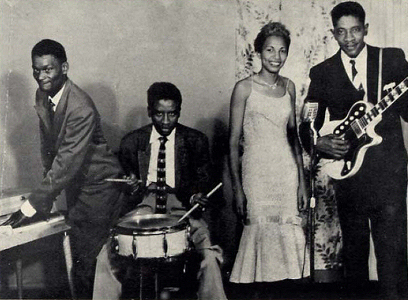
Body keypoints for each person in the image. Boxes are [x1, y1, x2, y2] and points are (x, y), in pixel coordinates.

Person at [300, 2, 408, 298]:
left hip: (389, 177)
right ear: (333, 34)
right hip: (349, 178)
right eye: (342, 32)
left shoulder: (392, 60)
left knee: (392, 259)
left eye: (355, 30)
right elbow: (308, 122)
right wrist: (318, 142)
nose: (350, 39)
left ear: (366, 29)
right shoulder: (321, 72)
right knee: (355, 262)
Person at [1, 39, 124, 298]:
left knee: (88, 261)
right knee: (78, 258)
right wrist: (45, 198)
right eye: (36, 70)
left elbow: (66, 161)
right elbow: (50, 150)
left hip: (100, 189)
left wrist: (32, 205)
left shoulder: (81, 108)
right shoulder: (43, 95)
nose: (41, 77)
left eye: (48, 70)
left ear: (64, 67)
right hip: (76, 185)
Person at [93, 82, 228, 300]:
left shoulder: (195, 141)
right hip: (143, 208)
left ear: (179, 112)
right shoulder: (132, 142)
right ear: (149, 112)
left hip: (181, 208)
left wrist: (196, 195)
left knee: (209, 257)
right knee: (105, 258)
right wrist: (131, 187)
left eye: (172, 115)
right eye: (159, 114)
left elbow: (203, 181)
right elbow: (122, 190)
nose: (166, 121)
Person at [228, 22, 309, 296]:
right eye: (270, 50)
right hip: (256, 174)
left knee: (287, 246)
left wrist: (302, 183)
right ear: (258, 52)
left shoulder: (290, 87)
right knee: (259, 239)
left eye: (282, 51)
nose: (276, 56)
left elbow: (294, 137)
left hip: (285, 174)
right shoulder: (243, 88)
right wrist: (238, 190)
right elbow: (232, 142)